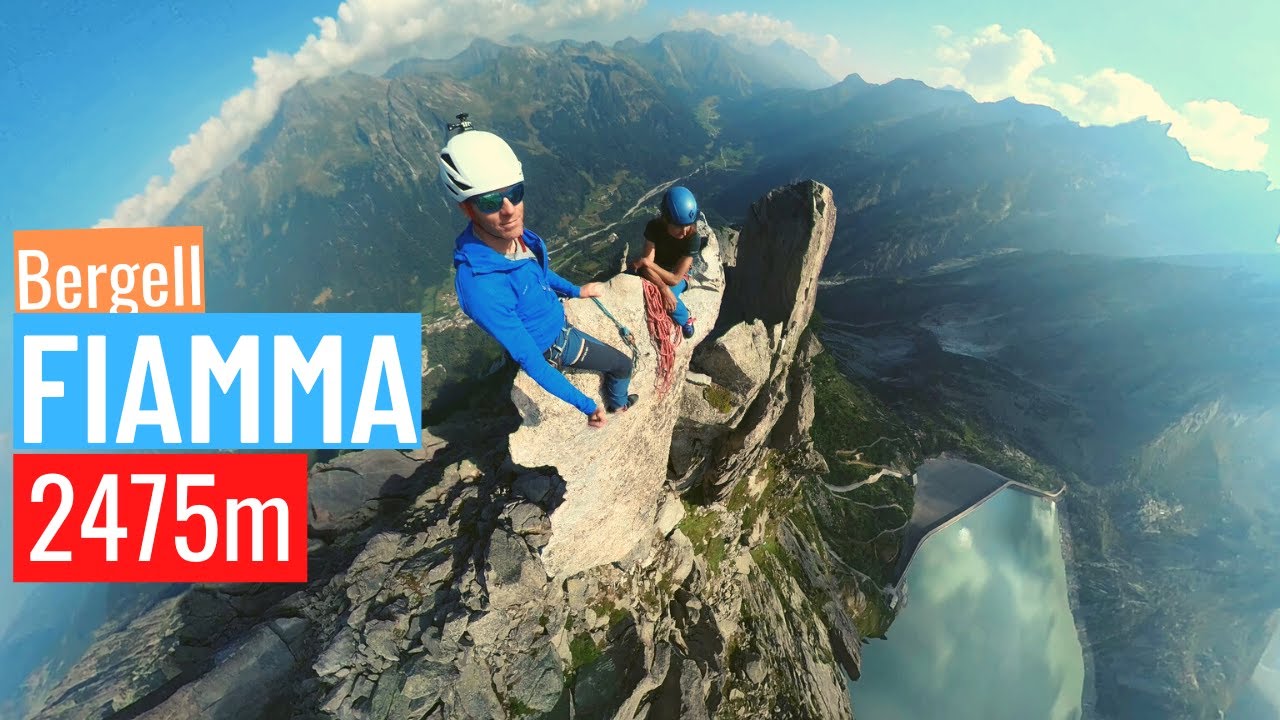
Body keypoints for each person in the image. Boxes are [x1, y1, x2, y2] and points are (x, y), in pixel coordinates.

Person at [439, 119, 637, 427]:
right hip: (555, 344)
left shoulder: (508, 238)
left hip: (554, 323)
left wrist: (576, 291)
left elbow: (537, 276)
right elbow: (532, 361)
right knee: (622, 365)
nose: (509, 209)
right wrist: (586, 405)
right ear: (467, 209)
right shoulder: (482, 287)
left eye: (515, 193)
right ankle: (618, 405)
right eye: (490, 201)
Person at [630, 185, 703, 338]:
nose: (683, 232)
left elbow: (675, 277)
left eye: (687, 226)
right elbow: (646, 268)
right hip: (655, 271)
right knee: (656, 291)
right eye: (678, 226)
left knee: (669, 299)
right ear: (665, 219)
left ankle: (685, 318)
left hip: (678, 277)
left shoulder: (693, 238)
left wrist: (648, 264)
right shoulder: (654, 227)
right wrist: (663, 287)